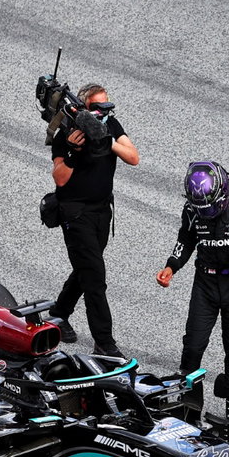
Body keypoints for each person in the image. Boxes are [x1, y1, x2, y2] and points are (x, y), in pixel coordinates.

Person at [156, 161, 229, 412]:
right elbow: (186, 238)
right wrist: (171, 266)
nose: (205, 211)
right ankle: (187, 402)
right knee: (193, 343)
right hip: (205, 284)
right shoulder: (191, 209)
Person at [49, 84, 139, 359]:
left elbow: (133, 158)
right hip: (76, 214)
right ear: (84, 108)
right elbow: (60, 178)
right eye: (98, 108)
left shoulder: (110, 125)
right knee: (95, 277)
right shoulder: (66, 132)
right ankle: (104, 342)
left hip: (102, 213)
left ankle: (59, 315)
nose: (104, 112)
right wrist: (75, 151)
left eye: (107, 107)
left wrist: (105, 139)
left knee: (87, 268)